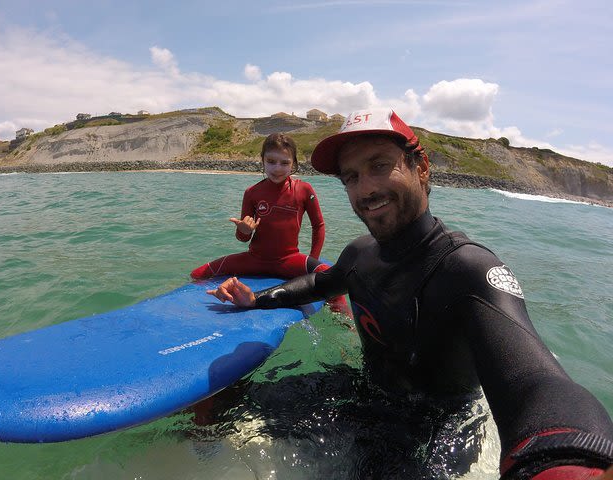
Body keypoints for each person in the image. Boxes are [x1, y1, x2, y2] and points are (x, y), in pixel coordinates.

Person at [207, 109, 613, 479]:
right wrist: (256, 300)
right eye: (351, 177)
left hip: (433, 435)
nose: (365, 189)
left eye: (380, 166)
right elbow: (319, 284)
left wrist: (567, 459)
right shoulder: (360, 253)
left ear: (421, 169)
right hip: (361, 393)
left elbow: (534, 379)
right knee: (224, 406)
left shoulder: (468, 268)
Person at [190, 132, 349, 313]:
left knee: (332, 278)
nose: (277, 168)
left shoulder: (304, 189)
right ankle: (192, 306)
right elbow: (243, 238)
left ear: (294, 164)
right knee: (199, 273)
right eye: (271, 161)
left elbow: (318, 226)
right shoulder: (252, 193)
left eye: (285, 163)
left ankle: (345, 320)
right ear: (263, 160)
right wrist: (245, 230)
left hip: (289, 260)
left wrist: (313, 264)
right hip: (255, 259)